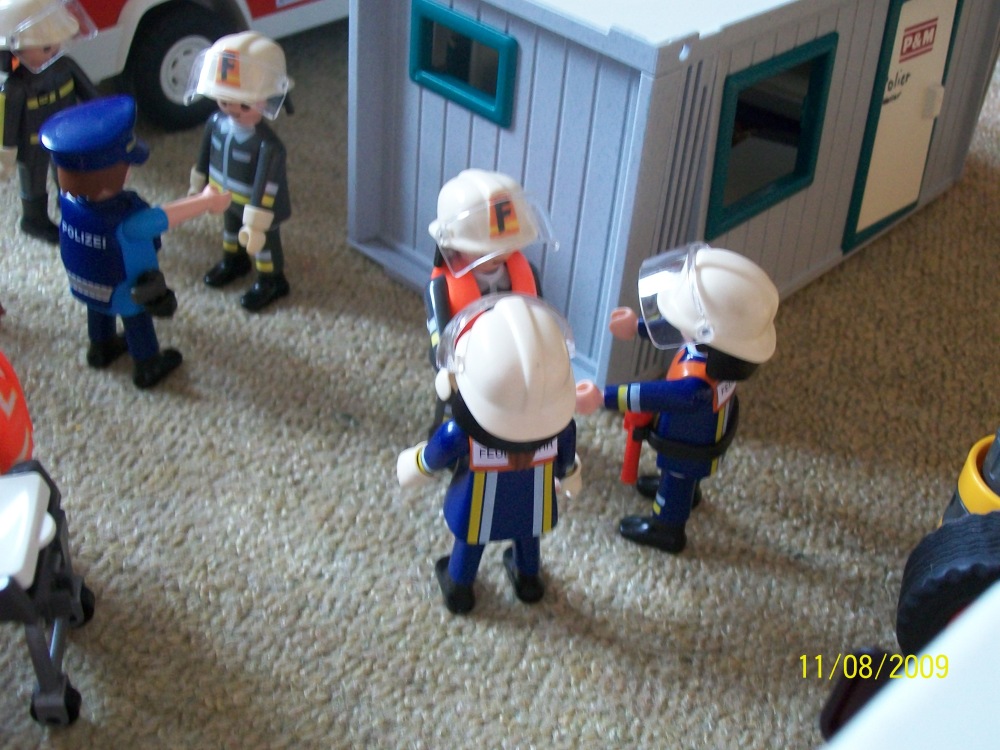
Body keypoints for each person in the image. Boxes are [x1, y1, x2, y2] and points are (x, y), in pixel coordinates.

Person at [576, 243, 779, 553]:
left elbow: (651, 395)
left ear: (707, 332)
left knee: (675, 484)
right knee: (684, 480)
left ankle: (666, 529)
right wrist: (636, 327)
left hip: (688, 447)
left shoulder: (695, 387)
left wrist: (604, 397)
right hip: (703, 436)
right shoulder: (719, 351)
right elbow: (679, 329)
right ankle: (689, 492)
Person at [398, 294, 581, 614]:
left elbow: (434, 457)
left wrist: (416, 465)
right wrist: (570, 475)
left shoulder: (459, 434)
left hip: (478, 509)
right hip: (533, 504)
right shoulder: (562, 432)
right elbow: (566, 462)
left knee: (471, 542)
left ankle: (459, 586)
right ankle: (528, 579)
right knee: (528, 536)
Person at [40, 94, 231, 388]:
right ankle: (147, 364)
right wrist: (206, 201)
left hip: (85, 282)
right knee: (137, 317)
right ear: (117, 172)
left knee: (98, 309)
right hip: (124, 287)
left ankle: (100, 347)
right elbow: (168, 215)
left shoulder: (66, 202)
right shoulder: (129, 221)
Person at [185, 31, 293, 312]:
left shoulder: (269, 146)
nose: (232, 109)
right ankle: (234, 261)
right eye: (224, 100)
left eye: (244, 104)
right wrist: (198, 183)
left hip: (258, 209)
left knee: (264, 244)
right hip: (225, 197)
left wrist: (257, 218)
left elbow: (267, 184)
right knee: (230, 231)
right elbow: (205, 156)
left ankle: (272, 279)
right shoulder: (215, 123)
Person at [0, 0, 100, 243]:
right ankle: (34, 220)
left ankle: (70, 203)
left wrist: (102, 118)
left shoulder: (65, 66)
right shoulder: (15, 88)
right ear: (16, 50)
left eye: (56, 43)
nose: (54, 51)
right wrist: (6, 156)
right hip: (32, 143)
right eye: (46, 48)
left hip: (66, 136)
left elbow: (91, 96)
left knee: (67, 170)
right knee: (33, 180)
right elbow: (7, 126)